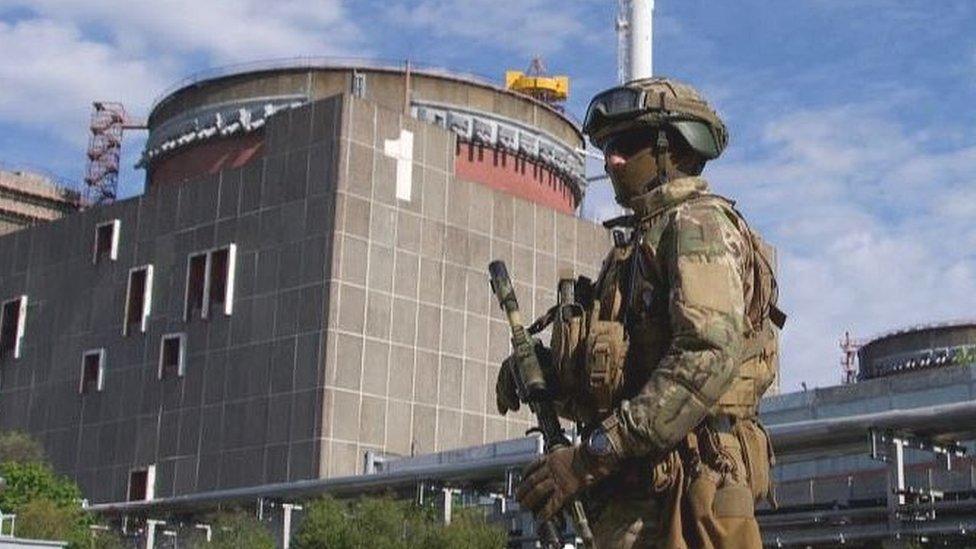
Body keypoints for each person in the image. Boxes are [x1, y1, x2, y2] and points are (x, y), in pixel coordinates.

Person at [496, 77, 785, 548]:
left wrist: (591, 456)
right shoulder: (635, 251)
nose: (611, 159)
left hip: (686, 496)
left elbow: (705, 356)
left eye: (627, 143)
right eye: (608, 145)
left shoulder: (698, 226)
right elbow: (623, 380)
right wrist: (545, 376)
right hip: (637, 495)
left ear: (675, 148)